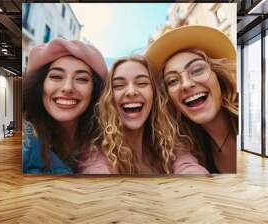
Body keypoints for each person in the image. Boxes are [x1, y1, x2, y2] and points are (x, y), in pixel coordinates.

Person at [79, 55, 209, 174]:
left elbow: (187, 166)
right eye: (119, 85)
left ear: (154, 96)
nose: (131, 92)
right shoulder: (96, 153)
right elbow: (96, 174)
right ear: (109, 99)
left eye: (142, 83)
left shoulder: (170, 144)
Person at [145, 25, 238, 173]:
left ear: (218, 77)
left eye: (197, 70)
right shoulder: (188, 144)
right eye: (173, 81)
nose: (186, 84)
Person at [22, 38, 107, 174]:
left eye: (81, 79)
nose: (68, 88)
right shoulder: (25, 140)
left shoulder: (107, 144)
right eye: (56, 77)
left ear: (95, 91)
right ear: (40, 84)